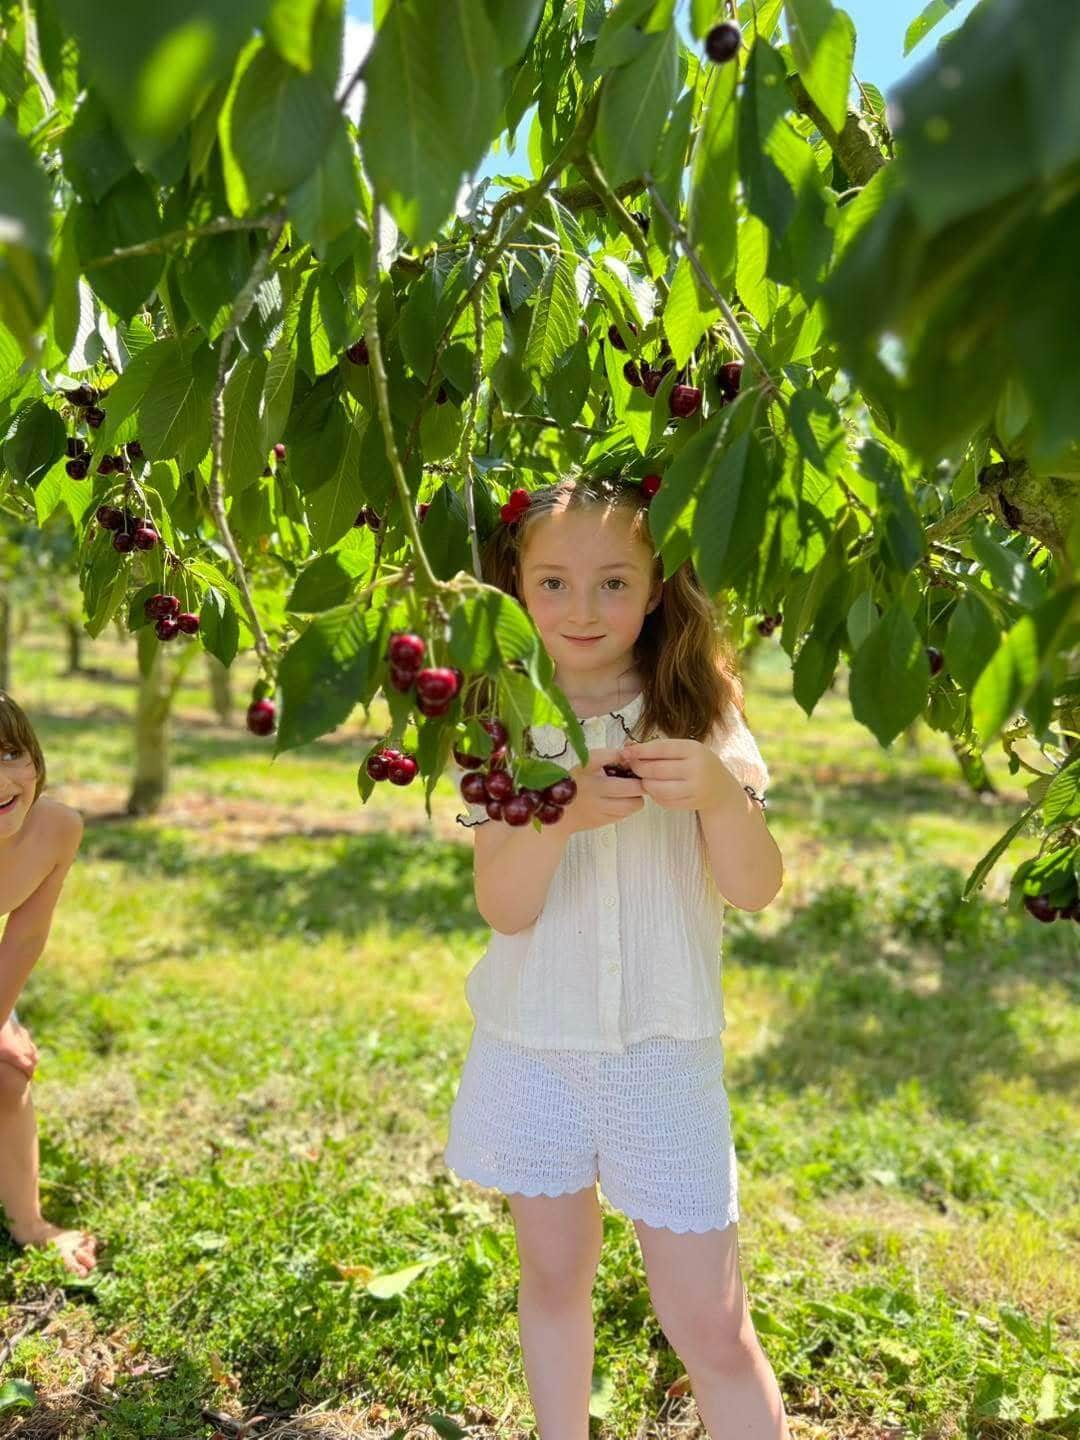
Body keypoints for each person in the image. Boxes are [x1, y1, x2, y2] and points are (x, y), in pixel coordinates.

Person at [443, 474, 790, 1438]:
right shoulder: (502, 716)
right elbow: (503, 909)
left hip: (661, 1058)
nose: (582, 609)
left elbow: (755, 887)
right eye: (552, 583)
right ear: (515, 584)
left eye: (613, 583)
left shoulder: (695, 710)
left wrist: (722, 797)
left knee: (711, 1325)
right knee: (553, 1279)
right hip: (534, 1049)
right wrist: (560, 818)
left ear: (656, 588)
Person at [0, 690, 96, 1277]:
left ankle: (29, 1223)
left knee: (9, 1076)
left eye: (11, 753)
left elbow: (25, 939)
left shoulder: (55, 829)